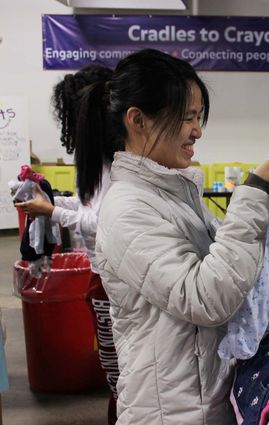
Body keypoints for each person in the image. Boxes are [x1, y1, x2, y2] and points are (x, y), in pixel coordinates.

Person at [70, 48, 269, 425]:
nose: (197, 130)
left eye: (199, 117)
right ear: (138, 120)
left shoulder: (174, 194)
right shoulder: (129, 210)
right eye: (187, 117)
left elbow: (231, 265)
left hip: (202, 401)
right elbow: (208, 297)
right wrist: (256, 190)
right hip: (172, 413)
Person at [15, 64, 120, 424]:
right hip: (102, 278)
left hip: (112, 280)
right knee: (115, 369)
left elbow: (106, 223)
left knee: (120, 375)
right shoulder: (99, 162)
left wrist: (54, 212)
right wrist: (52, 201)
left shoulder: (115, 166)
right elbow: (90, 206)